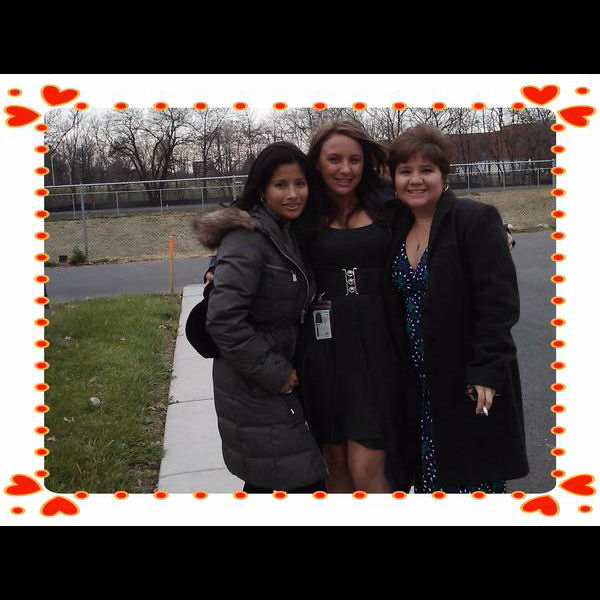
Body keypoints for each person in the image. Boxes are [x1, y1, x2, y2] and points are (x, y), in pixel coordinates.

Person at [382, 124, 529, 493]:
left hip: (464, 376)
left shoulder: (473, 219)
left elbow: (499, 304)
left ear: (444, 176)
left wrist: (487, 369)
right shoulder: (394, 225)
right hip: (417, 379)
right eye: (405, 171)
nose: (416, 179)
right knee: (429, 479)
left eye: (426, 170)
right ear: (393, 179)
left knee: (469, 478)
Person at [193, 142, 327, 494]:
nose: (293, 193)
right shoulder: (248, 237)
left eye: (300, 183)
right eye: (281, 185)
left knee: (277, 477)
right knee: (292, 478)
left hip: (272, 378)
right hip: (256, 384)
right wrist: (276, 373)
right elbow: (223, 320)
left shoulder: (285, 232)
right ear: (262, 190)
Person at [295, 121, 411, 493]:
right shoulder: (301, 208)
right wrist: (217, 264)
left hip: (378, 342)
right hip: (321, 347)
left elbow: (440, 211)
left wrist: (496, 227)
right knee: (334, 461)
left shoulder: (388, 202)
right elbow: (255, 228)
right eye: (335, 159)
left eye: (354, 160)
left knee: (368, 465)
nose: (345, 169)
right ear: (317, 162)